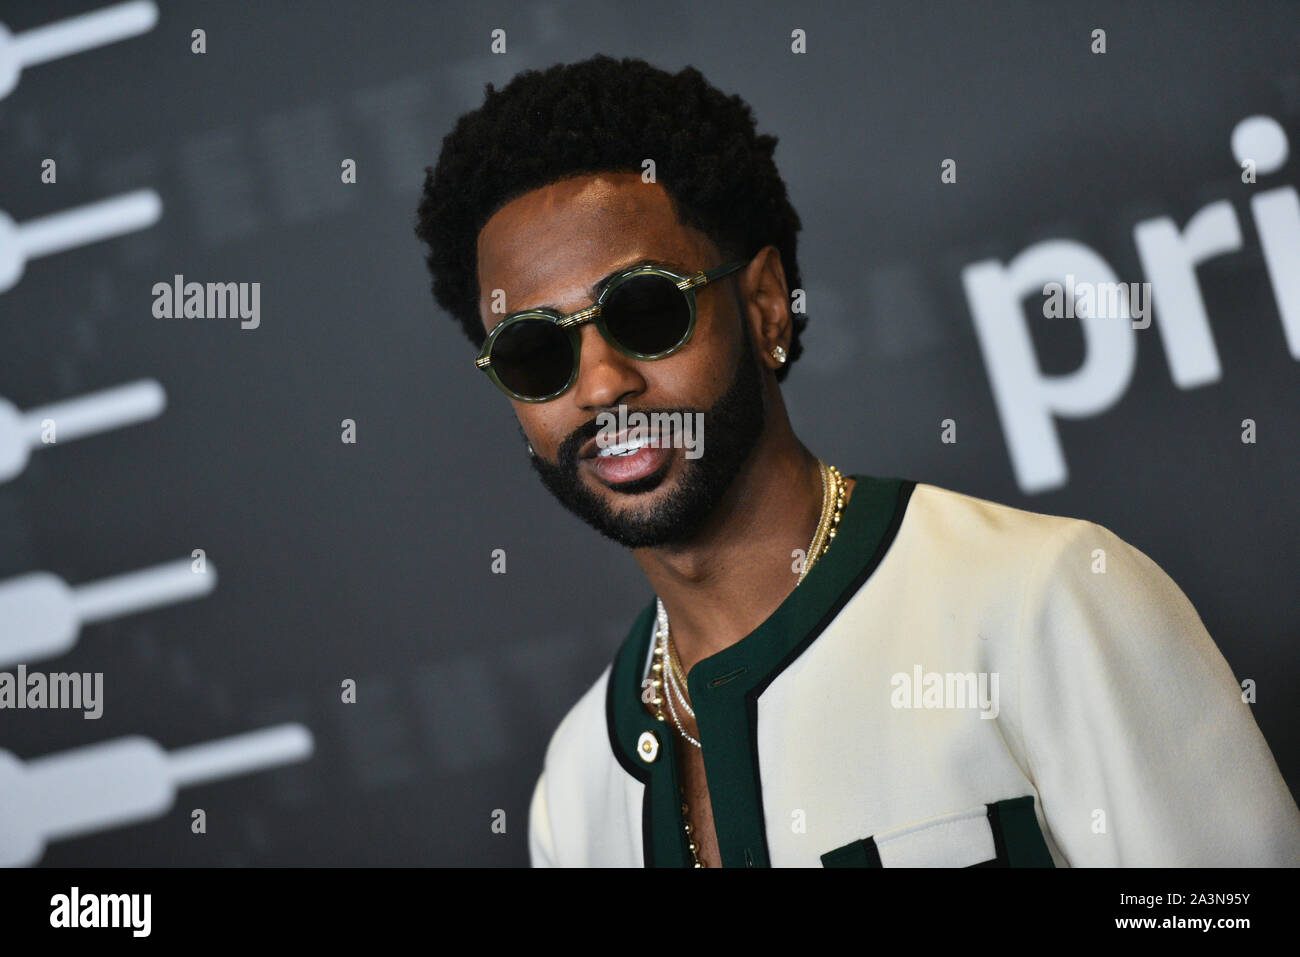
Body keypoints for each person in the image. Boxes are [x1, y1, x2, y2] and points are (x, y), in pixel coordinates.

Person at [413, 54, 1300, 867]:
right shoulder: (574, 792)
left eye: (648, 311)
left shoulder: (1045, 600)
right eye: (536, 352)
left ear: (764, 306)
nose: (601, 383)